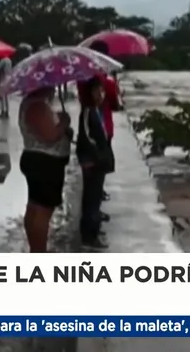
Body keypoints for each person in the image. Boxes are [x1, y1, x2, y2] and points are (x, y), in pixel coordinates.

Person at [18, 86, 72, 252]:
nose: (54, 90)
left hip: (39, 161)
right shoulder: (37, 106)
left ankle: (36, 248)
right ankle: (39, 251)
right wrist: (64, 123)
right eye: (51, 86)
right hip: (45, 164)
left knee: (34, 207)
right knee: (42, 212)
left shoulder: (34, 104)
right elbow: (50, 136)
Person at [80, 40, 122, 205]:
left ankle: (92, 207)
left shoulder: (82, 75)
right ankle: (93, 212)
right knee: (99, 168)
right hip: (102, 126)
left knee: (89, 170)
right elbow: (115, 104)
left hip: (86, 124)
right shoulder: (103, 79)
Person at [76, 77, 114, 250]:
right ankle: (89, 237)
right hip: (92, 163)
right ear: (90, 93)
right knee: (91, 200)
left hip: (98, 162)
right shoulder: (88, 112)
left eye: (103, 91)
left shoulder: (97, 111)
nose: (101, 94)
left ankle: (93, 233)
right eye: (97, 91)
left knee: (95, 199)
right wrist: (90, 159)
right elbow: (85, 139)